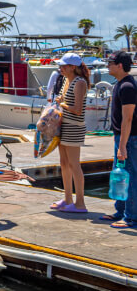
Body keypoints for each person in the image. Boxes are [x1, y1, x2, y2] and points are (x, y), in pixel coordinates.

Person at [101, 50, 137, 228]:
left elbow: (128, 119)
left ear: (120, 65)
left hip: (129, 139)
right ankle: (121, 211)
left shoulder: (127, 86)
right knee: (120, 176)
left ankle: (132, 217)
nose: (108, 66)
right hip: (122, 138)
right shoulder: (119, 84)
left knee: (130, 177)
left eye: (110, 63)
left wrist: (122, 146)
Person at [52, 53, 90, 213]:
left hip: (74, 127)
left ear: (72, 67)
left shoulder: (79, 83)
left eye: (63, 66)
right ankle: (68, 199)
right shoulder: (66, 80)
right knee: (64, 163)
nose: (60, 68)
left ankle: (80, 203)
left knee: (74, 164)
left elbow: (78, 109)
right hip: (64, 126)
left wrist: (62, 104)